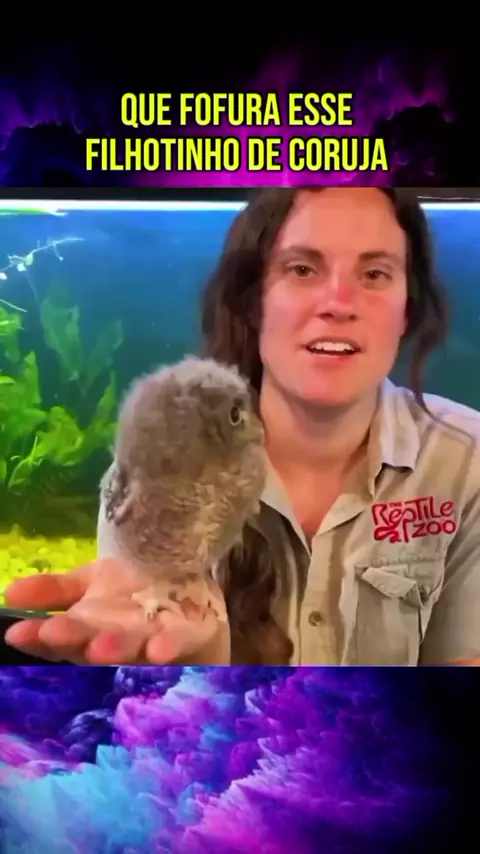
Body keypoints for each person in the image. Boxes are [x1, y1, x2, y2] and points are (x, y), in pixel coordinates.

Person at [5, 186, 480, 666]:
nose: (338, 303)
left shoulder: (466, 463)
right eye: (302, 269)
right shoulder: (150, 464)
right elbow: (153, 671)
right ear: (253, 301)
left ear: (407, 308)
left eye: (375, 273)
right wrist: (202, 655)